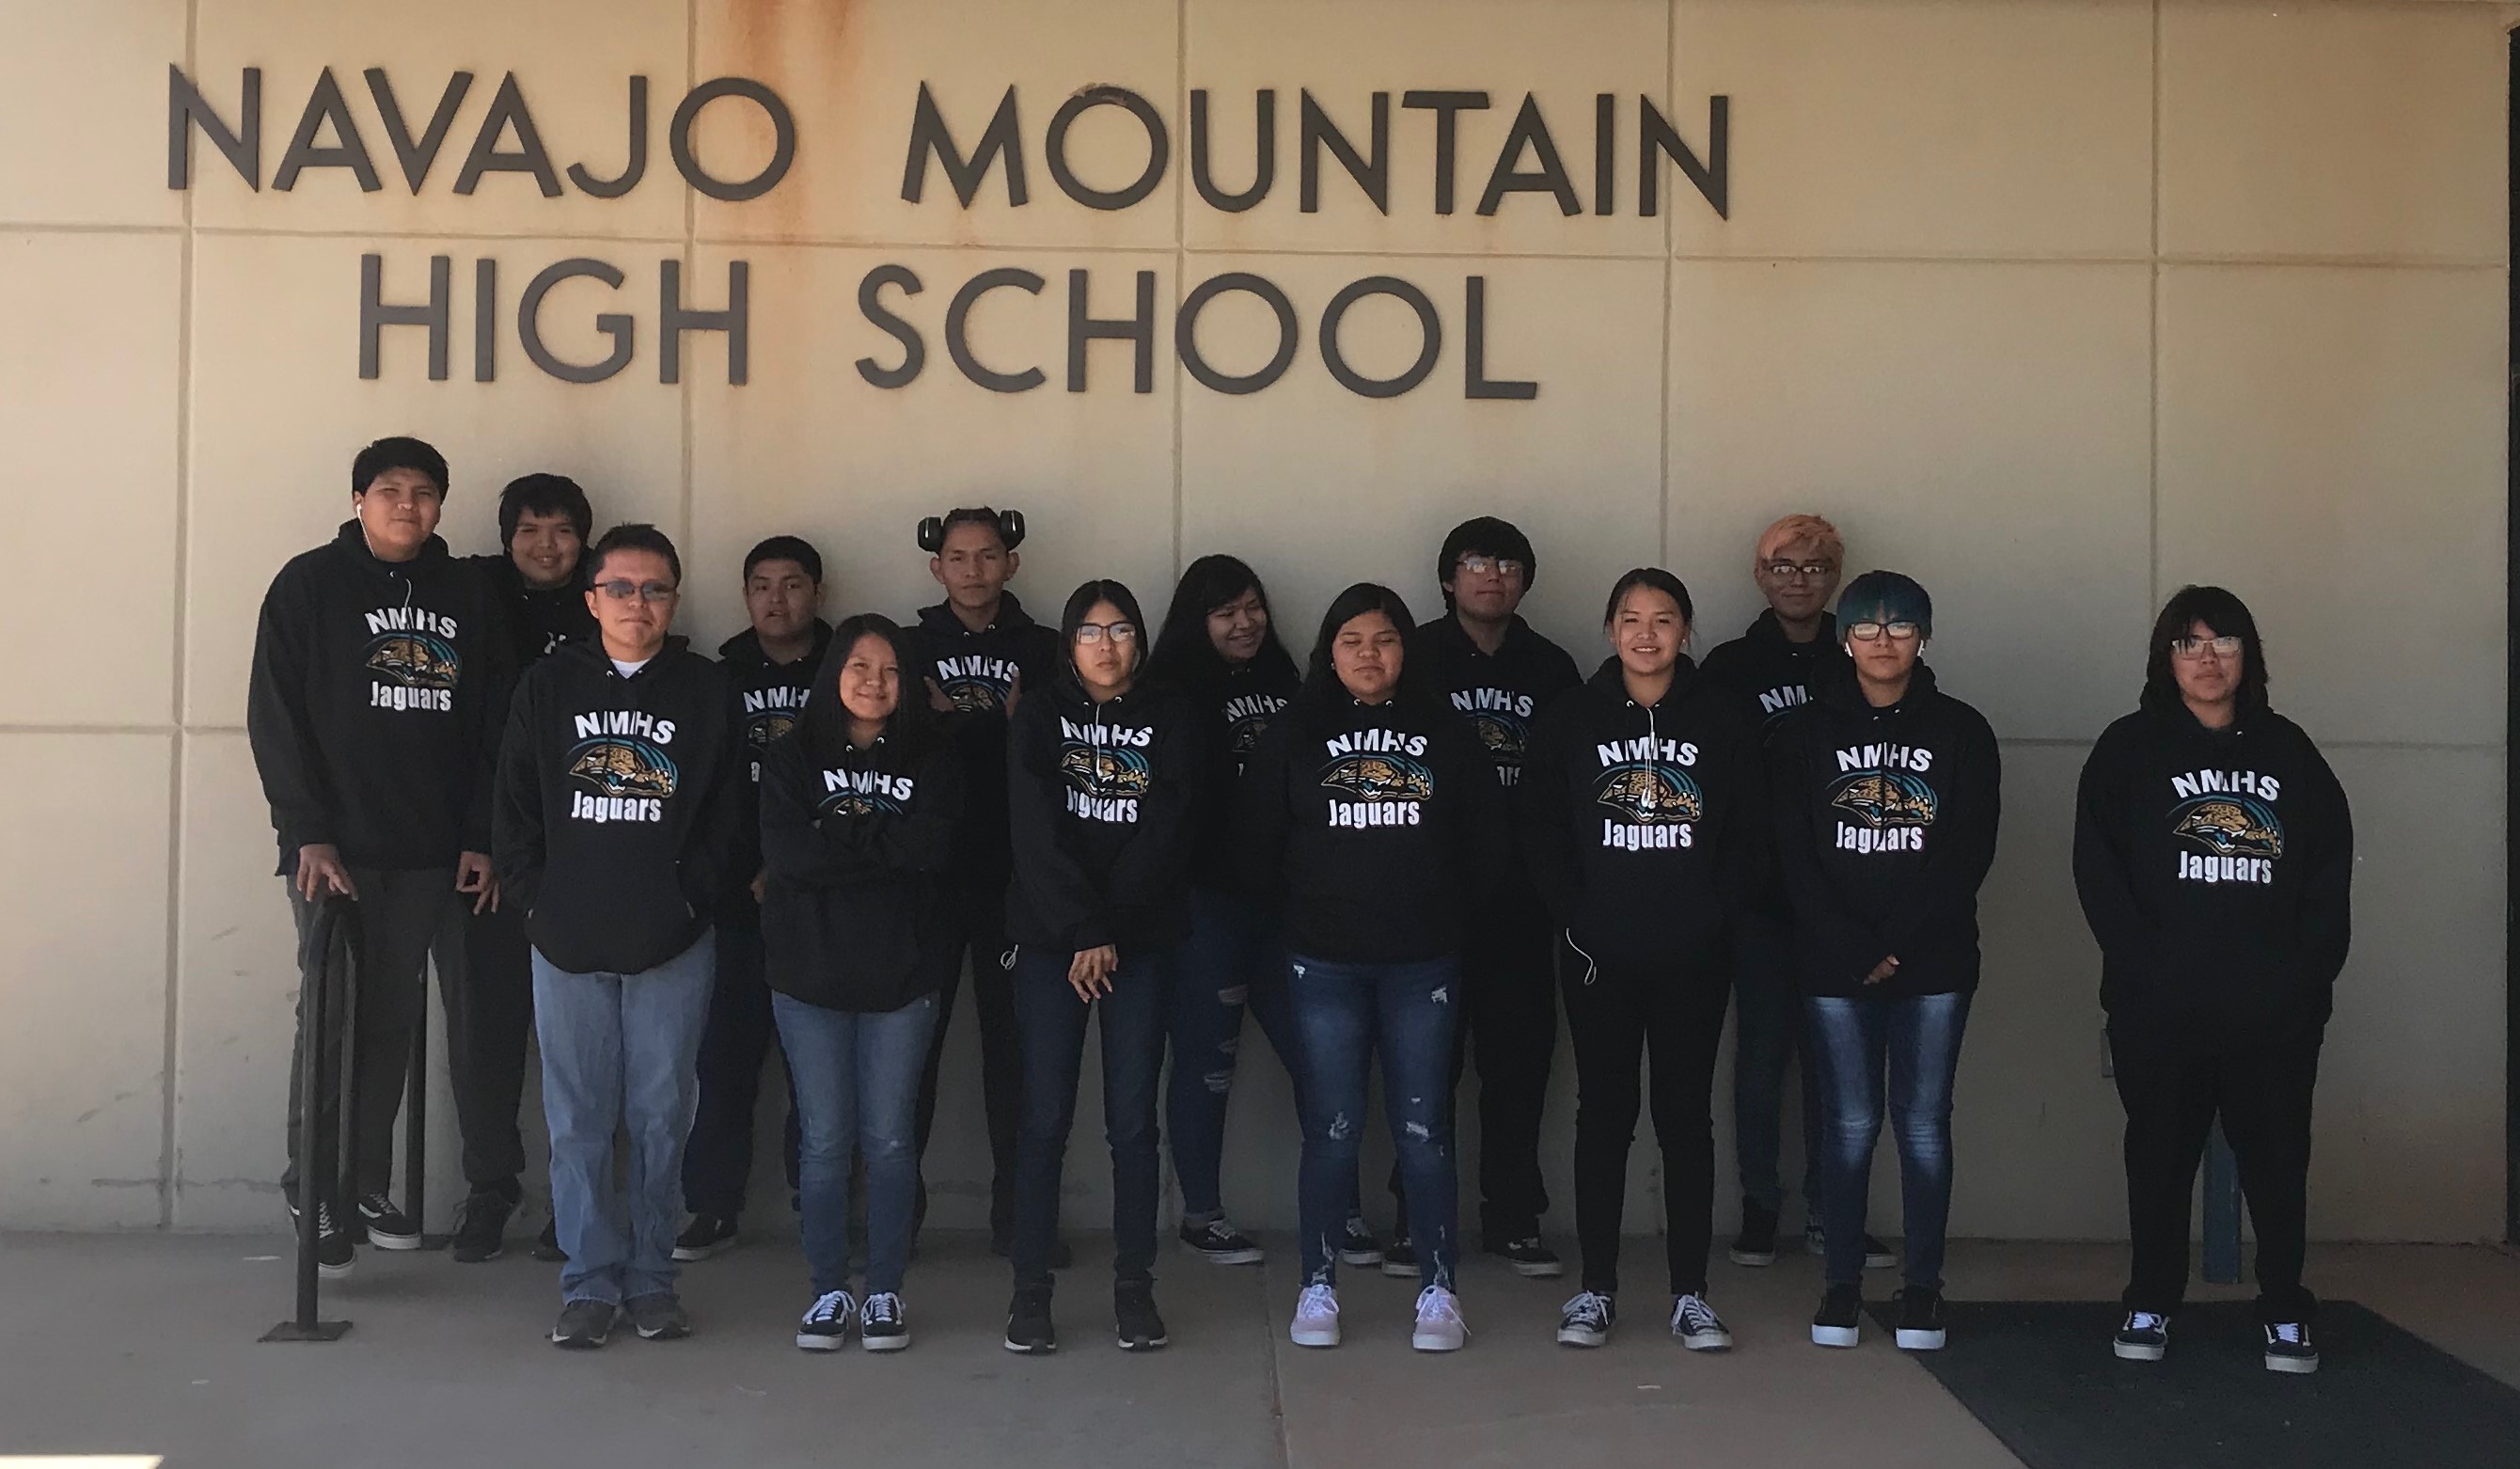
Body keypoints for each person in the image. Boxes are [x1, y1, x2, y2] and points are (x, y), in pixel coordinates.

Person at [247, 434, 512, 1277]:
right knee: (332, 1014)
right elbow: (275, 717)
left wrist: (480, 834)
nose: (408, 504)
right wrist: (305, 831)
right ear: (359, 499)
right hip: (339, 852)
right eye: (390, 489)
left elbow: (493, 727)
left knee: (391, 1021)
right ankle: (312, 1184)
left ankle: (361, 1181)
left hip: (430, 851)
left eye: (425, 491)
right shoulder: (308, 585)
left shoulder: (468, 593)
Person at [2074, 586, 2351, 1374]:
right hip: (2159, 1009)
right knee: (2158, 1156)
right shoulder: (2128, 750)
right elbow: (2099, 874)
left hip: (2273, 1013)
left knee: (2278, 1158)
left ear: (2247, 656)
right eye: (2189, 643)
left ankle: (2286, 1309)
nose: (2207, 658)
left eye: (2223, 642)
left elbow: (2329, 877)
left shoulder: (2289, 752)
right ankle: (2151, 1300)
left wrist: (2303, 981)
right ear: (2167, 658)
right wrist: (2145, 971)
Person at [494, 523, 740, 1349]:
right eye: (622, 589)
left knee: (664, 1115)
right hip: (566, 942)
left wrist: (688, 902)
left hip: (672, 942)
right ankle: (589, 1285)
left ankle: (653, 1281)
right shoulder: (545, 686)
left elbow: (730, 821)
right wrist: (538, 906)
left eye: (656, 589)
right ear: (593, 598)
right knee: (577, 1122)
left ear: (674, 599)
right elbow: (515, 810)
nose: (639, 604)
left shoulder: (707, 691)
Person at [1242, 583, 1500, 1353]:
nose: (1368, 654)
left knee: (1424, 1132)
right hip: (1322, 963)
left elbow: (1486, 844)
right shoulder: (1296, 732)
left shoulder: (1446, 734)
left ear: (1405, 650)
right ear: (1330, 651)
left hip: (1423, 965)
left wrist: (1445, 914)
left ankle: (1438, 1291)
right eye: (1351, 640)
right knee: (1332, 1129)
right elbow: (1255, 844)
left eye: (1384, 639)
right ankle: (1317, 1286)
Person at [1524, 569, 1761, 1351]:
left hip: (1695, 955)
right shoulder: (1571, 718)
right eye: (1630, 618)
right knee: (1604, 1116)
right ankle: (1595, 1290)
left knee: (1685, 1120)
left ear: (1686, 632)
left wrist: (1716, 917)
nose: (1647, 634)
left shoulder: (1724, 719)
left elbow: (1748, 838)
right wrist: (1576, 918)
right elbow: (1544, 831)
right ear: (1610, 629)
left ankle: (1691, 1294)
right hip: (1600, 957)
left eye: (1663, 620)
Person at [1772, 571, 1998, 1353]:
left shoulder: (1963, 730)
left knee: (1924, 1126)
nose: (1882, 640)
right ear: (1845, 639)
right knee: (1848, 1125)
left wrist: (1895, 941)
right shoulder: (1801, 734)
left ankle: (1923, 1290)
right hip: (1833, 965)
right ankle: (1840, 1285)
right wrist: (1855, 946)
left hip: (1934, 963)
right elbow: (1793, 854)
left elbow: (1966, 850)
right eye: (1867, 627)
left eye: (1900, 626)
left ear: (1924, 637)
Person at [1143, 556, 1378, 1270]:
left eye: (1252, 607)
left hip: (1288, 910)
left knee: (1323, 1058)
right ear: (1196, 620)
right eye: (1225, 612)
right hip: (1208, 907)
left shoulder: (1291, 685)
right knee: (1207, 1062)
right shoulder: (1168, 692)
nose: (1244, 623)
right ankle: (1202, 1214)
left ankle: (1341, 1211)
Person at [998, 579, 1196, 1354]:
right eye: (1088, 631)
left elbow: (1169, 826)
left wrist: (1106, 929)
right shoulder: (1041, 715)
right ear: (1068, 644)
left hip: (1138, 943)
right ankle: (1030, 1294)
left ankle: (1134, 1290)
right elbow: (1033, 828)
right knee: (1042, 1119)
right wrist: (1082, 928)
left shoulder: (1172, 715)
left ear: (1139, 641)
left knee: (1132, 1122)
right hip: (1053, 944)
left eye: (1119, 630)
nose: (1105, 645)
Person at [760, 614, 966, 1353]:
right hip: (806, 976)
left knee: (888, 1141)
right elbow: (789, 857)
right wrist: (883, 846)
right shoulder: (790, 759)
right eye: (858, 667)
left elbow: (933, 849)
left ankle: (883, 1291)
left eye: (888, 671)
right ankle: (826, 1293)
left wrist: (838, 839)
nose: (873, 683)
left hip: (903, 978)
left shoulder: (935, 759)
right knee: (822, 1142)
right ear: (833, 675)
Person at [1699, 514, 1890, 1270]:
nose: (1798, 579)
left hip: (1848, 901)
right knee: (1761, 1056)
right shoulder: (1727, 667)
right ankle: (1759, 1209)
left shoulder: (1865, 658)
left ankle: (1830, 1211)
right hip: (1762, 900)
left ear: (1835, 578)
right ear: (1759, 575)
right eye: (1783, 565)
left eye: (1814, 568)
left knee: (1836, 1064)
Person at [1395, 517, 1582, 1279]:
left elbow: (1577, 784)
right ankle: (1415, 1220)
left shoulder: (1554, 667)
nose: (1492, 576)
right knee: (1425, 1072)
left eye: (1508, 563)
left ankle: (1512, 1217)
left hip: (1523, 905)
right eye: (1475, 563)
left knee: (1518, 1067)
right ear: (1448, 578)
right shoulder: (1415, 659)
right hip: (1431, 903)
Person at [903, 507, 1063, 1259]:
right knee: (913, 1054)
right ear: (937, 567)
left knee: (1017, 1058)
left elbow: (1054, 760)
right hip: (929, 881)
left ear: (1012, 563)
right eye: (959, 558)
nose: (973, 571)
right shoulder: (907, 648)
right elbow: (899, 750)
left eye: (987, 556)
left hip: (1015, 882)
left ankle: (1021, 1219)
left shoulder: (1048, 649)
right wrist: (995, 729)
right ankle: (899, 1218)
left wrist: (963, 728)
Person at [447, 471, 597, 1265]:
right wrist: (493, 843)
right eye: (532, 529)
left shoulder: (610, 603)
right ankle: (490, 1187)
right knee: (487, 1037)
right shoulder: (471, 596)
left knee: (580, 1047)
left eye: (563, 530)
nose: (548, 546)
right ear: (508, 537)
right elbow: (476, 741)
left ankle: (577, 1197)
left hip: (583, 860)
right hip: (489, 858)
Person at [675, 536, 826, 1262]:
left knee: (817, 1064)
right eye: (761, 585)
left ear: (817, 593)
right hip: (735, 902)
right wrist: (740, 871)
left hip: (824, 902)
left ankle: (817, 1201)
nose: (777, 599)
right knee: (723, 1059)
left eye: (792, 585)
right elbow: (705, 790)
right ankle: (711, 1205)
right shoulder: (718, 676)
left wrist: (793, 867)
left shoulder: (846, 666)